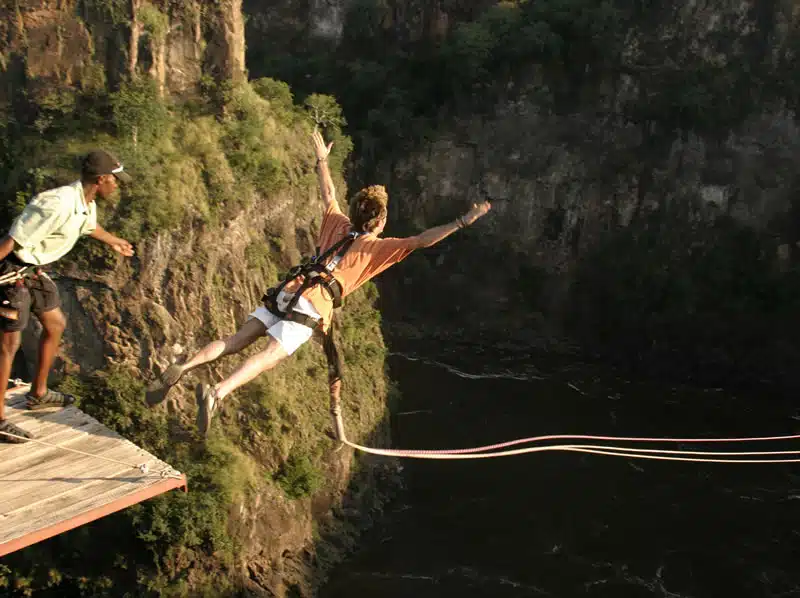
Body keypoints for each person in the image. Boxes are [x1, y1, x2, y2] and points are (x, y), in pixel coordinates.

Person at [146, 129, 491, 437]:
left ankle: (185, 365)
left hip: (288, 290)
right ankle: (218, 393)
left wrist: (321, 160)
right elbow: (421, 240)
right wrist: (463, 221)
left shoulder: (337, 223)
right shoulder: (376, 248)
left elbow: (328, 193)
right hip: (312, 304)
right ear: (380, 220)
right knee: (269, 355)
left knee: (236, 340)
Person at [0, 150, 135, 443]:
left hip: (33, 270)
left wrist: (114, 242)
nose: (117, 185)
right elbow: (11, 242)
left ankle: (38, 393)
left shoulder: (86, 203)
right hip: (13, 271)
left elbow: (88, 227)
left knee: (55, 324)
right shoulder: (55, 204)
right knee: (9, 343)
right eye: (115, 180)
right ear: (101, 180)